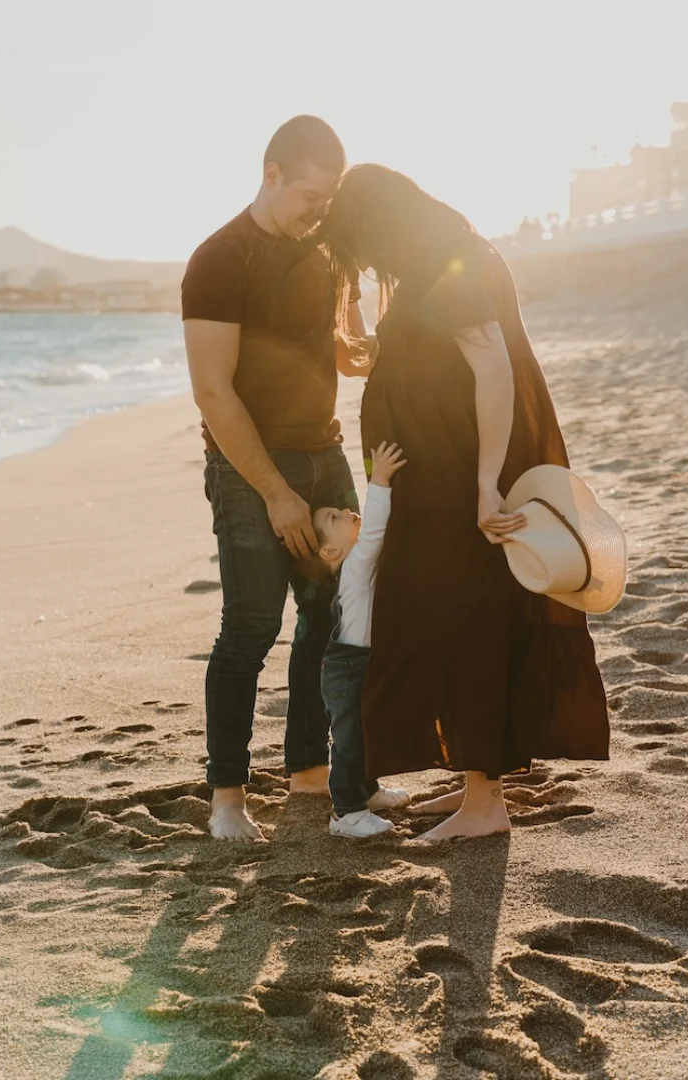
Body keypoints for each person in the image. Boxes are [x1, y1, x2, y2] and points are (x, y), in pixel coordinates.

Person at [320, 164, 610, 841]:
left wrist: (484, 483)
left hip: (459, 482)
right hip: (433, 482)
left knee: (466, 626)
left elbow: (495, 368)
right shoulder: (431, 261)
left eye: (362, 246)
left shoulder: (454, 261)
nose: (366, 263)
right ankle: (474, 787)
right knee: (439, 622)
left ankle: (484, 804)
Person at [182, 117, 373, 842]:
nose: (320, 212)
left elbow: (324, 343)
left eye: (330, 201)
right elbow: (214, 392)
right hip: (249, 469)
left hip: (326, 453)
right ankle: (227, 800)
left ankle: (308, 775)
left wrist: (355, 350)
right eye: (311, 196)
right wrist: (275, 493)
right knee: (251, 628)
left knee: (332, 619)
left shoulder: (322, 249)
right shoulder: (220, 259)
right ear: (272, 175)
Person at [298, 442, 410, 837]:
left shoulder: (354, 568)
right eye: (334, 516)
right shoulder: (354, 566)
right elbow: (375, 531)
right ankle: (346, 813)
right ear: (330, 549)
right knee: (350, 742)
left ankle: (368, 791)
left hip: (360, 664)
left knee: (368, 732)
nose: (347, 511)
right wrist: (379, 480)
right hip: (349, 670)